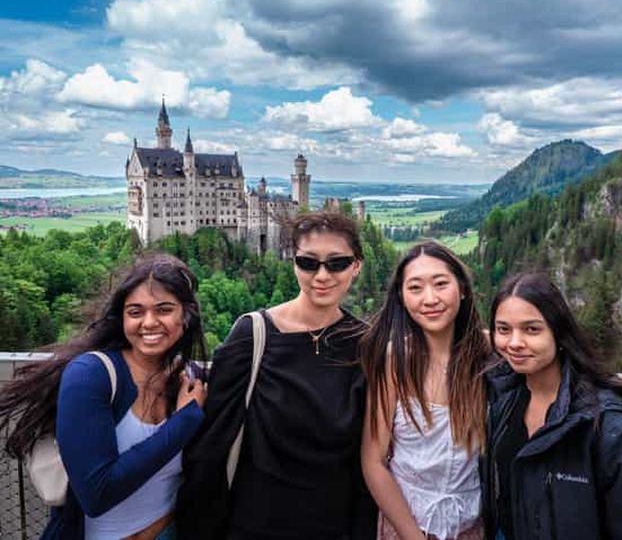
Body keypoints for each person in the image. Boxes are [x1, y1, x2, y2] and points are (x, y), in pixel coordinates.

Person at [177, 211, 377, 540]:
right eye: (308, 263)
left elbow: (367, 459)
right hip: (255, 524)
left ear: (356, 265)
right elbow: (212, 445)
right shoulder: (253, 334)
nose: (322, 275)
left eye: (337, 263)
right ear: (293, 262)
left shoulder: (367, 344)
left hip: (333, 527)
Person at [0, 253, 209, 540]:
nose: (149, 322)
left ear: (185, 315)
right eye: (135, 312)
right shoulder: (92, 375)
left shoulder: (190, 379)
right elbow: (97, 494)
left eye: (164, 309)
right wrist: (184, 422)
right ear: (121, 317)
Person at [483, 272, 622, 540]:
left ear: (559, 332)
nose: (514, 343)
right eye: (503, 329)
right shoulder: (504, 401)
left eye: (532, 329)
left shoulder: (614, 428)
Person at [361, 241, 491, 540]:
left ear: (462, 288)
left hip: (473, 525)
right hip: (407, 525)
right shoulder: (395, 361)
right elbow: (373, 460)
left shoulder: (489, 354)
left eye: (441, 284)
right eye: (415, 288)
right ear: (402, 298)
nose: (429, 298)